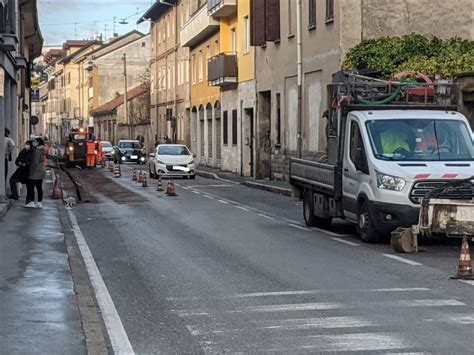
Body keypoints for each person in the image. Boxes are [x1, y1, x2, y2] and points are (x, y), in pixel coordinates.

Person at [25, 138, 46, 208]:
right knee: (39, 187)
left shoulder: (37, 151)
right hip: (41, 171)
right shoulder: (43, 150)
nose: (33, 142)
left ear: (38, 142)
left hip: (35, 172)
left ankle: (31, 202)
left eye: (35, 141)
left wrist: (30, 167)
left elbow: (35, 163)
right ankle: (39, 202)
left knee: (31, 187)